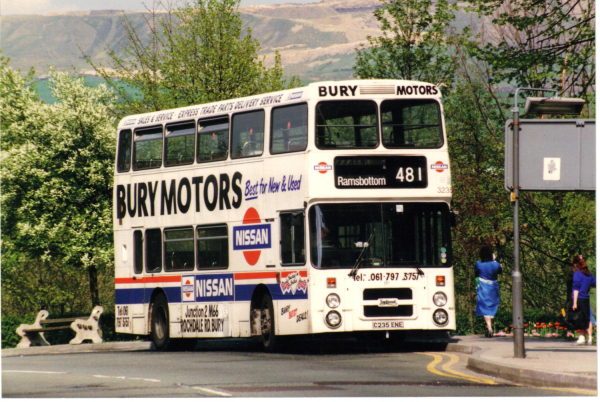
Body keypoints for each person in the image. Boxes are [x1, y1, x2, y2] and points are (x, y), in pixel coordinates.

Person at [475, 246, 502, 338]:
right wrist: (495, 261)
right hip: (493, 286)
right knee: (493, 305)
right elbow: (500, 271)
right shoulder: (496, 264)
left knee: (484, 306)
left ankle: (489, 328)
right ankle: (491, 326)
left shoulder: (478, 264)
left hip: (483, 286)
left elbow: (476, 273)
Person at [571, 255, 596, 345]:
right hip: (586, 298)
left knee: (580, 318)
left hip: (579, 298)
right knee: (587, 318)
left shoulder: (577, 274)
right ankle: (589, 338)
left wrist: (574, 303)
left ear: (576, 264)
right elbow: (595, 283)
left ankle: (581, 337)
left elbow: (576, 289)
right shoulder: (588, 274)